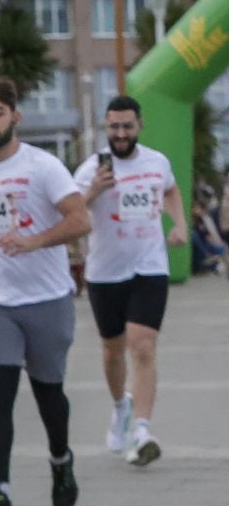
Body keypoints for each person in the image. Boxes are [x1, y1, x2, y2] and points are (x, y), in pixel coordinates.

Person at [0, 79, 91, 506]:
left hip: (47, 298)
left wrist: (36, 240)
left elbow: (80, 219)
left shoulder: (43, 167)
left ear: (16, 117)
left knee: (49, 392)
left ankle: (60, 459)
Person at [73, 95, 187, 467]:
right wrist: (93, 191)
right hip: (105, 272)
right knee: (112, 349)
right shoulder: (90, 169)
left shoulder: (157, 162)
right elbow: (71, 213)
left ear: (139, 125)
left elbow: (170, 190)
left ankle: (141, 431)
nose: (120, 134)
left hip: (149, 267)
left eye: (127, 126)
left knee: (143, 347)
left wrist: (179, 224)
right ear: (105, 128)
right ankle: (121, 406)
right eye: (114, 127)